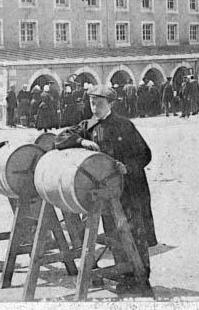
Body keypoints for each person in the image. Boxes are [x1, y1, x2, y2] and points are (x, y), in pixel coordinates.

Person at [55, 85, 157, 296]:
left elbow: (145, 154)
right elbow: (60, 139)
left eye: (99, 104)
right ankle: (125, 279)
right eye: (92, 103)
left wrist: (126, 166)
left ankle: (141, 278)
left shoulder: (125, 125)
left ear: (110, 104)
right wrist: (82, 140)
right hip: (107, 192)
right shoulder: (88, 125)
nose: (95, 108)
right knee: (114, 234)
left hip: (129, 188)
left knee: (134, 233)